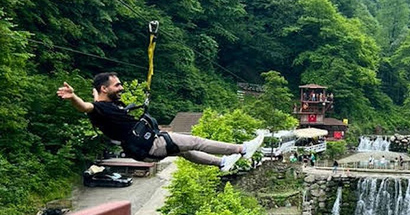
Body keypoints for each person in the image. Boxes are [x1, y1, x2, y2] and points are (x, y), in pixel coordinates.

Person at [57, 72, 262, 171]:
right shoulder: (99, 108)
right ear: (105, 89)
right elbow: (86, 107)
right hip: (150, 145)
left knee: (184, 151)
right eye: (117, 85)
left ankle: (221, 162)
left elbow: (94, 103)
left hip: (144, 150)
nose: (121, 88)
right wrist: (74, 97)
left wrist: (93, 94)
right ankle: (242, 149)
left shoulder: (104, 105)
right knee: (194, 141)